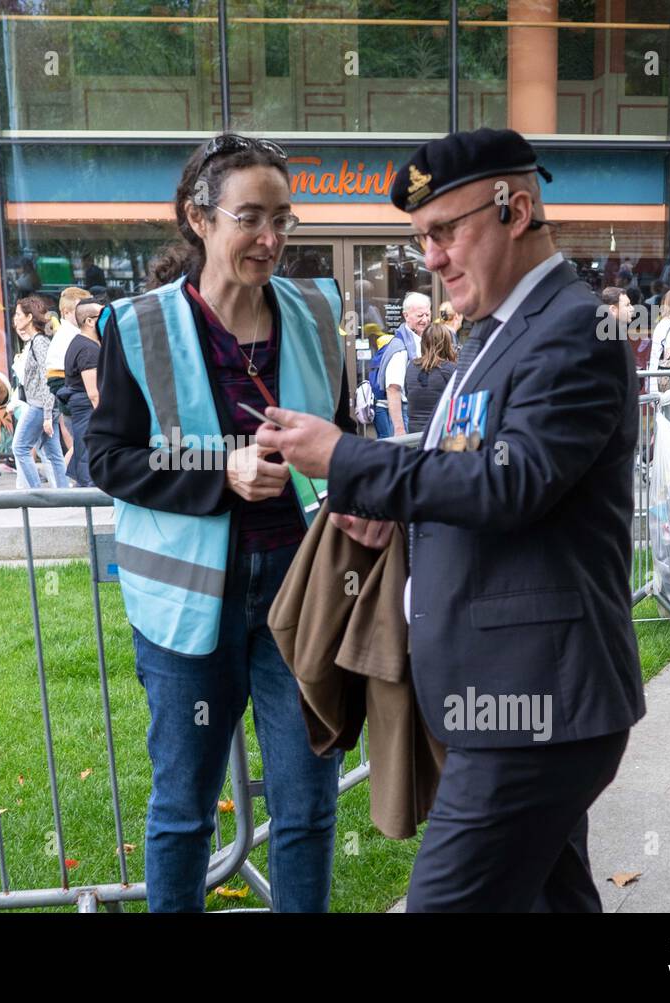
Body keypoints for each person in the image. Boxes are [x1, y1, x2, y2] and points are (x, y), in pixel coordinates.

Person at [256, 128, 644, 912]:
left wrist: (347, 459)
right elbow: (486, 480)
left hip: (537, 708)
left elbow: (516, 480)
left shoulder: (577, 327)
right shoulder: (493, 331)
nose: (429, 257)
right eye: (419, 238)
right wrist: (397, 519)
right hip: (513, 698)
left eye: (443, 231)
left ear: (517, 209)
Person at [86, 133, 350, 913]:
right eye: (250, 218)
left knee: (307, 804)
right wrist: (220, 468)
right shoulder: (137, 325)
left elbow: (345, 433)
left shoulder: (315, 311)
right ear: (198, 219)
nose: (270, 239)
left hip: (302, 597)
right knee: (183, 811)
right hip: (188, 604)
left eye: (282, 219)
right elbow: (109, 460)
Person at [11, 296, 69, 490]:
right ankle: (63, 494)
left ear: (29, 317)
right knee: (53, 453)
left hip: (41, 406)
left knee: (20, 448)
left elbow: (47, 380)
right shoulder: (37, 341)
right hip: (44, 406)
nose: (15, 318)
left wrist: (46, 414)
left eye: (18, 314)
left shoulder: (40, 342)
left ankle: (37, 492)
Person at [45, 286, 93, 465]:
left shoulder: (71, 335)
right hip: (76, 402)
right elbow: (54, 381)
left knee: (81, 449)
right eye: (80, 310)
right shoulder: (69, 337)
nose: (85, 314)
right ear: (66, 311)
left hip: (72, 401)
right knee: (83, 449)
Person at [63, 299, 102, 487]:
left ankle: (83, 481)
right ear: (90, 321)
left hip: (81, 404)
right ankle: (89, 487)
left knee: (84, 446)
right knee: (88, 447)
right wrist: (104, 414)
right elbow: (93, 392)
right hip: (86, 405)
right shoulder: (88, 348)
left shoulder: (81, 343)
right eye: (102, 316)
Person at [379, 291, 430, 437]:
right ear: (406, 316)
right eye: (420, 315)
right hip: (406, 412)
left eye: (427, 314)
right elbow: (393, 389)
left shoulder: (423, 339)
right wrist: (399, 429)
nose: (425, 320)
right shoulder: (400, 347)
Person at [404, 321, 458, 434]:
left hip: (414, 433)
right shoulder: (449, 369)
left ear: (423, 343)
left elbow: (408, 393)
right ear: (447, 343)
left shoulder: (411, 367)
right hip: (439, 433)